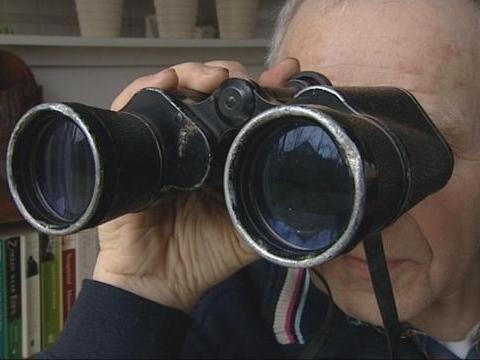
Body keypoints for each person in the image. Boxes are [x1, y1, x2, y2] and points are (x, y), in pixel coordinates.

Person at [40, 0, 480, 358]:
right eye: (316, 132)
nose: (355, 198)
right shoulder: (227, 309)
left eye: (408, 143)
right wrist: (138, 291)